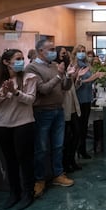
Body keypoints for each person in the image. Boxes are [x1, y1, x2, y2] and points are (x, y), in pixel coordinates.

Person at [24, 39, 76, 198]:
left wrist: (68, 76)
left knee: (58, 145)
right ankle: (39, 180)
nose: (55, 52)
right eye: (51, 49)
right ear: (41, 51)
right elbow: (43, 89)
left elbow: (65, 87)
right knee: (41, 148)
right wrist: (60, 75)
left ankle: (58, 174)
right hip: (42, 112)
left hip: (58, 110)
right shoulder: (32, 67)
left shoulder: (54, 66)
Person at [0, 49, 37, 210]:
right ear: (6, 62)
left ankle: (29, 192)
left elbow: (30, 100)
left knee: (25, 160)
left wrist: (15, 92)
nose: (22, 61)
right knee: (10, 160)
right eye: (18, 59)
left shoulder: (29, 78)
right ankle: (14, 193)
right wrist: (2, 95)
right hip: (1, 126)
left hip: (24, 124)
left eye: (23, 58)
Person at [72, 44, 105, 159]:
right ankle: (79, 149)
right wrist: (92, 78)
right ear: (75, 53)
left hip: (87, 97)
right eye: (79, 51)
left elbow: (90, 80)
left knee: (84, 125)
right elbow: (75, 84)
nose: (82, 53)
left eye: (83, 51)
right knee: (79, 126)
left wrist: (96, 77)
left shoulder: (87, 64)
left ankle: (83, 148)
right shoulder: (74, 66)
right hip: (79, 98)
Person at [55, 46, 83, 173]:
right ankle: (65, 163)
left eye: (66, 53)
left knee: (76, 134)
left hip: (73, 106)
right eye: (62, 54)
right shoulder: (55, 69)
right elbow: (61, 88)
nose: (65, 55)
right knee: (66, 139)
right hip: (63, 107)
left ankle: (71, 160)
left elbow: (72, 88)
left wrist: (77, 79)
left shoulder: (68, 68)